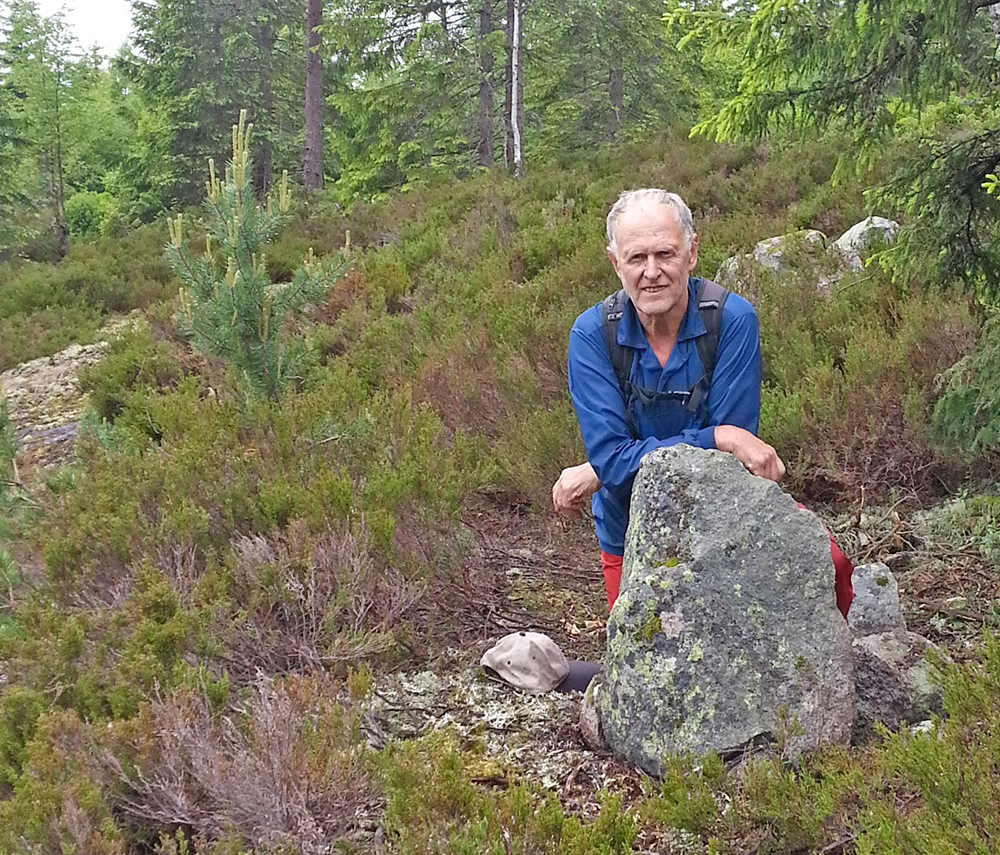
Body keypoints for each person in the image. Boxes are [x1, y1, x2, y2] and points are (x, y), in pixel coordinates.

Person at [553, 188, 853, 616]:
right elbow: (617, 468)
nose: (652, 272)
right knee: (646, 660)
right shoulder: (592, 336)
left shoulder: (731, 321)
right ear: (615, 263)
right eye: (637, 258)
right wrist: (720, 435)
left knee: (833, 568)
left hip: (724, 516)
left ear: (692, 253)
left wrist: (605, 465)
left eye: (666, 254)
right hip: (631, 529)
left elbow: (726, 469)